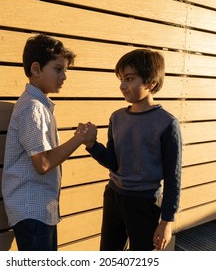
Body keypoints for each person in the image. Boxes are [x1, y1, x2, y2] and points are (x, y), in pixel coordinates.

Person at [78, 49, 182, 251]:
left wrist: (166, 221)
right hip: (114, 197)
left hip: (145, 203)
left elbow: (173, 177)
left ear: (150, 83)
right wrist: (92, 144)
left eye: (129, 79)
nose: (122, 86)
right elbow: (114, 162)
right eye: (121, 79)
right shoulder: (116, 117)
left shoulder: (167, 123)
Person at [2, 34, 90, 251]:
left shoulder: (38, 105)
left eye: (65, 71)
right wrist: (79, 138)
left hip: (37, 210)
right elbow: (42, 164)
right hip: (33, 211)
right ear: (36, 69)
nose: (64, 76)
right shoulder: (32, 107)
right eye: (58, 69)